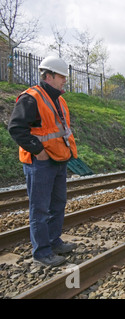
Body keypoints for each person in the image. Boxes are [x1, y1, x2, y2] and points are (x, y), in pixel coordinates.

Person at [8, 56, 78, 267]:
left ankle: (53, 241)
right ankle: (41, 252)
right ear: (49, 75)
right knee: (40, 208)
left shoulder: (59, 99)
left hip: (58, 159)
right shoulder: (30, 98)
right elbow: (16, 128)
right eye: (61, 76)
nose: (65, 80)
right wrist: (38, 151)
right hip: (40, 162)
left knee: (57, 203)